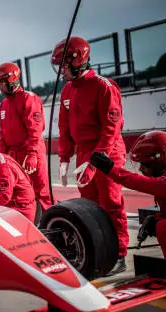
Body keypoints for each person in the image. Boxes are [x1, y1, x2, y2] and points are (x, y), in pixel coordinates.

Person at [52, 35, 129, 275]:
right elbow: (64, 127)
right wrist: (64, 158)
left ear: (79, 60)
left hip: (107, 153)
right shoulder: (67, 90)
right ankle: (99, 248)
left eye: (64, 65)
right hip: (84, 153)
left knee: (112, 203)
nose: (61, 71)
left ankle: (119, 254)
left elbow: (111, 129)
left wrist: (96, 162)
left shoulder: (103, 87)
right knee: (90, 205)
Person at [91, 131, 166, 264]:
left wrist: (111, 169)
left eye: (145, 164)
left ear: (159, 159)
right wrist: (156, 218)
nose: (141, 169)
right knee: (162, 223)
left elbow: (142, 183)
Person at [0, 62, 53, 210]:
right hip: (14, 155)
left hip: (30, 152)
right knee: (19, 192)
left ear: (11, 81)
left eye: (0, 83)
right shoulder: (3, 105)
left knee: (40, 192)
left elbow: (35, 129)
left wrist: (32, 154)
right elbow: (4, 135)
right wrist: (0, 158)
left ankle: (48, 225)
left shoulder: (29, 99)